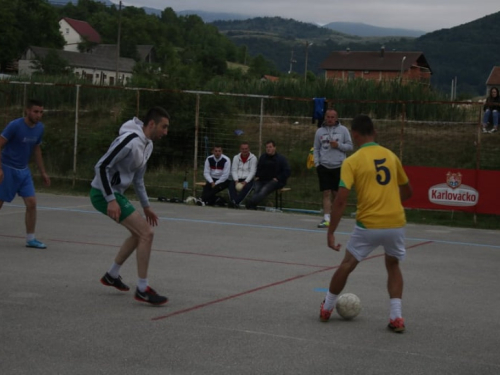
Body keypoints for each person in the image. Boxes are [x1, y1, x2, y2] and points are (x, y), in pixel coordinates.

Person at [318, 114, 413, 333]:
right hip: (395, 221)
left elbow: (341, 200)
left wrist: (331, 232)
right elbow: (408, 191)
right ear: (375, 132)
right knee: (393, 265)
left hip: (368, 224)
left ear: (355, 134)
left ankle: (327, 308)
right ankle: (396, 317)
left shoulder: (352, 161)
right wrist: (389, 201)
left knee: (348, 264)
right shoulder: (391, 156)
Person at [91, 107, 170, 305]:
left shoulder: (147, 145)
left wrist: (146, 206)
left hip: (115, 194)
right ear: (151, 124)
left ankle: (112, 274)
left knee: (139, 234)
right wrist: (110, 199)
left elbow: (138, 178)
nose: (166, 132)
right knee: (147, 234)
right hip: (103, 193)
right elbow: (101, 166)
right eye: (164, 126)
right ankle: (142, 289)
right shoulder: (129, 140)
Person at [0, 99, 51, 249]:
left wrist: (43, 172)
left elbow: (36, 149)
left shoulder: (40, 128)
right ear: (27, 111)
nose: (38, 115)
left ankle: (31, 239)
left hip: (24, 171)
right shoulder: (14, 125)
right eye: (36, 111)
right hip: (8, 168)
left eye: (41, 112)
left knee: (32, 203)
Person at [313, 109, 353, 228]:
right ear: (325, 117)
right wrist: (317, 164)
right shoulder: (320, 131)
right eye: (328, 117)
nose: (330, 119)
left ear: (336, 118)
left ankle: (336, 216)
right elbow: (316, 148)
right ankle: (326, 218)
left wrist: (338, 145)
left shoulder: (343, 130)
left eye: (332, 117)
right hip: (324, 165)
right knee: (326, 192)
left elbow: (350, 146)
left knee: (337, 193)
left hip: (339, 165)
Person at [245, 140, 291, 210]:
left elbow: (287, 171)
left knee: (264, 190)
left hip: (275, 181)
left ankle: (250, 203)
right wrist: (257, 176)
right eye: (267, 147)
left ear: (274, 148)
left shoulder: (281, 159)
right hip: (262, 179)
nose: (268, 149)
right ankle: (252, 206)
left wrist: (278, 178)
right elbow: (259, 168)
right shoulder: (263, 157)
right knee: (256, 189)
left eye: (270, 147)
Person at [228, 142, 257, 208]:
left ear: (249, 149)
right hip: (237, 178)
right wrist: (236, 180)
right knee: (231, 186)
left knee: (247, 188)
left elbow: (252, 172)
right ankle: (234, 202)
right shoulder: (236, 157)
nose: (244, 150)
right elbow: (234, 170)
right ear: (240, 149)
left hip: (247, 179)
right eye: (243, 149)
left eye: (246, 149)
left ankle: (235, 202)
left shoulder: (253, 158)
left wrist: (246, 181)